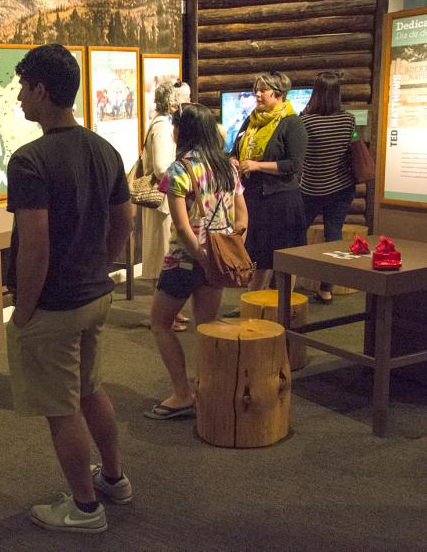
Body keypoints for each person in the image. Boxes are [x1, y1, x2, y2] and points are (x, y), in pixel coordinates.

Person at [6, 44, 135, 534]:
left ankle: (84, 508)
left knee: (61, 409)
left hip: (55, 306)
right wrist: (99, 262)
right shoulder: (105, 150)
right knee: (90, 390)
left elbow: (34, 249)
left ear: (41, 91)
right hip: (95, 295)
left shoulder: (30, 160)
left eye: (23, 87)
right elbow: (124, 220)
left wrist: (24, 311)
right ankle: (115, 479)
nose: (20, 98)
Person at [146, 103, 248, 420]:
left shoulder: (181, 170)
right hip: (218, 257)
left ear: (183, 132)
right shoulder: (227, 167)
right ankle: (208, 388)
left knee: (160, 323)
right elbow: (242, 214)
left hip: (185, 261)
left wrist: (201, 256)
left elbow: (181, 226)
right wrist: (231, 247)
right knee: (206, 327)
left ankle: (182, 394)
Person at [230, 71, 307, 301]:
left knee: (284, 258)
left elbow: (293, 165)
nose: (258, 94)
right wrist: (233, 159)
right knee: (257, 256)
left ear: (279, 93)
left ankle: (283, 306)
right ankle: (253, 304)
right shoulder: (251, 120)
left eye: (263, 89)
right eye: (257, 89)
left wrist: (257, 166)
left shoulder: (292, 123)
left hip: (282, 201)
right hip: (254, 198)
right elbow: (235, 149)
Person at [300, 72, 357, 304]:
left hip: (311, 188)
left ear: (315, 93)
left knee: (295, 233)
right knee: (333, 236)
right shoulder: (349, 120)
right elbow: (351, 145)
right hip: (342, 187)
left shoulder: (305, 121)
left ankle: (287, 283)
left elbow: (300, 155)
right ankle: (326, 288)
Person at [140, 81, 190, 332]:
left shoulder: (165, 124)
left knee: (165, 256)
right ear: (171, 101)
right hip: (162, 203)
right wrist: (183, 182)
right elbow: (161, 168)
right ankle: (161, 315)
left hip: (167, 200)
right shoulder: (161, 127)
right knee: (162, 257)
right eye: (183, 97)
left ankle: (170, 312)